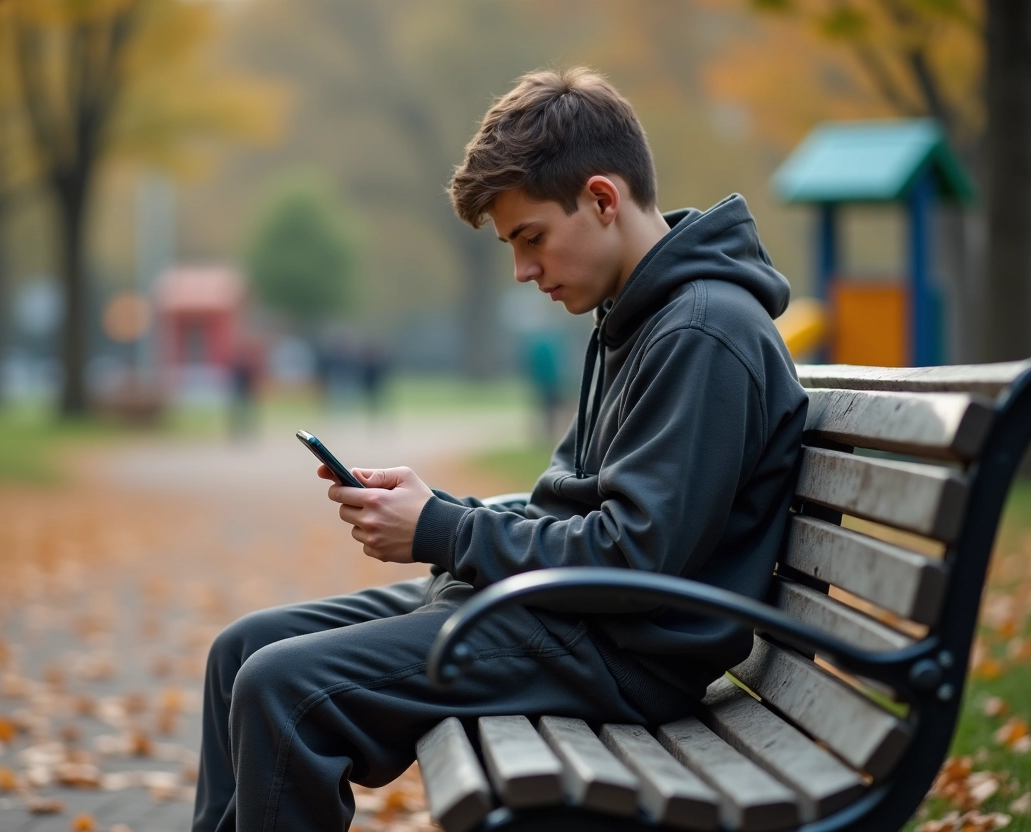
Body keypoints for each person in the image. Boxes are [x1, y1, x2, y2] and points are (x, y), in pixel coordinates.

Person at [192, 67, 808, 832]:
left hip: (620, 654)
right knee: (240, 650)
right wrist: (442, 514)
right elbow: (579, 506)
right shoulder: (642, 314)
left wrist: (443, 532)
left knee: (282, 688)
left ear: (603, 199)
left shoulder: (701, 332)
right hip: (564, 617)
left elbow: (635, 560)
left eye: (531, 238)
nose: (523, 271)